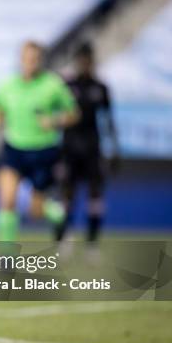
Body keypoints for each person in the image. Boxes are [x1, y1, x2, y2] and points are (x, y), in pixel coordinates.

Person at [0, 41, 79, 242]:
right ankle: (6, 259)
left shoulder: (53, 84)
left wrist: (55, 120)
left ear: (41, 61)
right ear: (21, 59)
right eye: (27, 58)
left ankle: (58, 215)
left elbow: (74, 114)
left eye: (35, 59)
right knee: (6, 200)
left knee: (35, 212)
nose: (31, 63)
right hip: (14, 149)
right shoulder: (8, 85)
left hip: (43, 151)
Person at [55, 43, 119, 246]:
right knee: (66, 194)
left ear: (92, 61)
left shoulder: (100, 88)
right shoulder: (65, 86)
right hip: (69, 149)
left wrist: (115, 149)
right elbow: (54, 115)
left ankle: (92, 242)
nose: (84, 64)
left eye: (87, 60)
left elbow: (108, 119)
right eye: (80, 60)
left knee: (95, 194)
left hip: (92, 148)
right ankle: (64, 237)